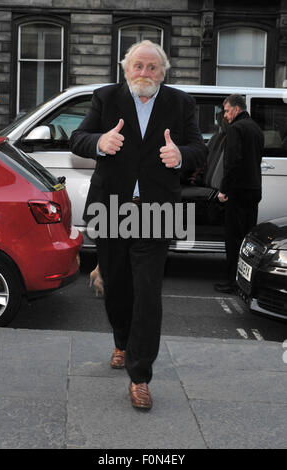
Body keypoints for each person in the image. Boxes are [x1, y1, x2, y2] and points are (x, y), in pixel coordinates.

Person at [70, 40, 207, 410]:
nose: (144, 73)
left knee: (148, 291)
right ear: (125, 68)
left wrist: (180, 155)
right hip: (112, 207)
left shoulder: (181, 103)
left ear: (163, 71)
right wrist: (101, 141)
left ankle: (140, 375)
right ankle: (121, 339)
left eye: (152, 67)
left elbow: (200, 148)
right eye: (138, 66)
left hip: (157, 209)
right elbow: (77, 139)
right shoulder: (105, 98)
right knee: (115, 284)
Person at [214, 94, 264, 294]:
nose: (225, 116)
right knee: (246, 240)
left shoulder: (236, 129)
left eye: (226, 111)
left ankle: (232, 282)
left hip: (238, 191)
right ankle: (245, 282)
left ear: (236, 109)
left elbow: (232, 163)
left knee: (233, 239)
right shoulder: (256, 129)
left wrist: (224, 190)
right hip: (253, 190)